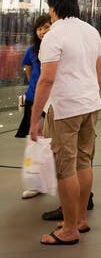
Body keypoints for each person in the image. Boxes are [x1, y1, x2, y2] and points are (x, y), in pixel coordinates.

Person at [29, 0, 101, 246]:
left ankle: (69, 229)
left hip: (65, 109)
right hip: (90, 105)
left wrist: (34, 116)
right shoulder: (90, 31)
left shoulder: (54, 35)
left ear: (53, 7)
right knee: (84, 162)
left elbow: (47, 79)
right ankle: (80, 219)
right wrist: (91, 94)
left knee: (65, 168)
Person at [17, 15, 52, 200]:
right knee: (35, 141)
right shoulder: (32, 50)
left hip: (53, 101)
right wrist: (34, 87)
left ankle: (51, 179)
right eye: (39, 28)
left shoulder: (56, 47)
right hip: (34, 99)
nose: (42, 31)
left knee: (53, 142)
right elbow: (28, 68)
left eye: (46, 27)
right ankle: (36, 183)